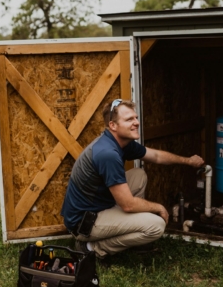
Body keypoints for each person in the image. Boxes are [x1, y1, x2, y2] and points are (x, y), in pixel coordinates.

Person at [61, 99, 204, 259]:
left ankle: (135, 237)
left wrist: (188, 161)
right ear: (113, 125)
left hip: (98, 204)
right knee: (156, 226)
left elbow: (156, 156)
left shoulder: (121, 142)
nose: (136, 122)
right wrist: (158, 207)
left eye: (135, 118)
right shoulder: (107, 154)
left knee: (138, 175)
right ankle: (90, 247)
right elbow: (128, 205)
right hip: (83, 223)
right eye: (129, 119)